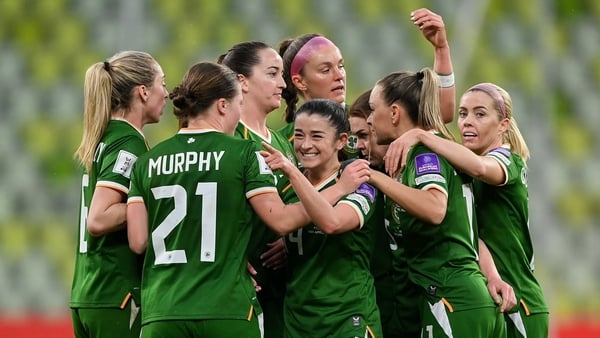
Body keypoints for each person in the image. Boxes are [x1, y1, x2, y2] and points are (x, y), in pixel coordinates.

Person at [126, 62, 371, 338]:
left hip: (163, 311)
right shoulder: (243, 153)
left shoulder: (146, 163)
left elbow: (138, 241)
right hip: (226, 307)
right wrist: (338, 190)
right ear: (222, 106)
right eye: (239, 104)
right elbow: (280, 221)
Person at [384, 82, 550, 337]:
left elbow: (481, 168)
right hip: (490, 292)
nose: (467, 122)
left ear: (503, 125)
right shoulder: (461, 165)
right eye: (463, 114)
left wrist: (421, 134)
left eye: (480, 114)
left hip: (518, 298)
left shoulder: (506, 159)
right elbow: (475, 237)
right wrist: (441, 50)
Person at [367, 68, 506, 337]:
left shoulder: (424, 154)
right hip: (467, 297)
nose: (370, 120)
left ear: (394, 113)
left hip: (452, 298)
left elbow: (434, 208)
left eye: (373, 110)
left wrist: (374, 178)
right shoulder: (440, 146)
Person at [262, 98, 382, 338]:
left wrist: (293, 171)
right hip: (297, 321)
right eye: (299, 135)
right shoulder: (284, 187)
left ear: (341, 141)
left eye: (317, 136)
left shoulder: (357, 180)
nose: (306, 145)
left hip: (347, 318)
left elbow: (332, 223)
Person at [70, 51, 168, 338]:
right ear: (143, 91)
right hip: (117, 294)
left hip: (90, 291)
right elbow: (99, 218)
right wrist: (152, 202)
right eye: (162, 83)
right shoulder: (128, 140)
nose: (166, 93)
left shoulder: (104, 136)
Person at [277, 8, 456, 150]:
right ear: (300, 82)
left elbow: (441, 113)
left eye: (341, 66)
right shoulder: (282, 144)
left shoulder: (367, 114)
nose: (339, 76)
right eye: (325, 70)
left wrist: (441, 49)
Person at [216, 40, 294, 338]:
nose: (282, 84)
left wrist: (290, 239)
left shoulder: (283, 141)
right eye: (273, 74)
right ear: (241, 82)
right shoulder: (230, 140)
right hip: (241, 287)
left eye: (283, 75)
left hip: (285, 286)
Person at [348, 89, 402, 337]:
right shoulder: (353, 178)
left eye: (364, 135)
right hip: (373, 303)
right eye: (353, 137)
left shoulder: (414, 170)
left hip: (413, 299)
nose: (358, 145)